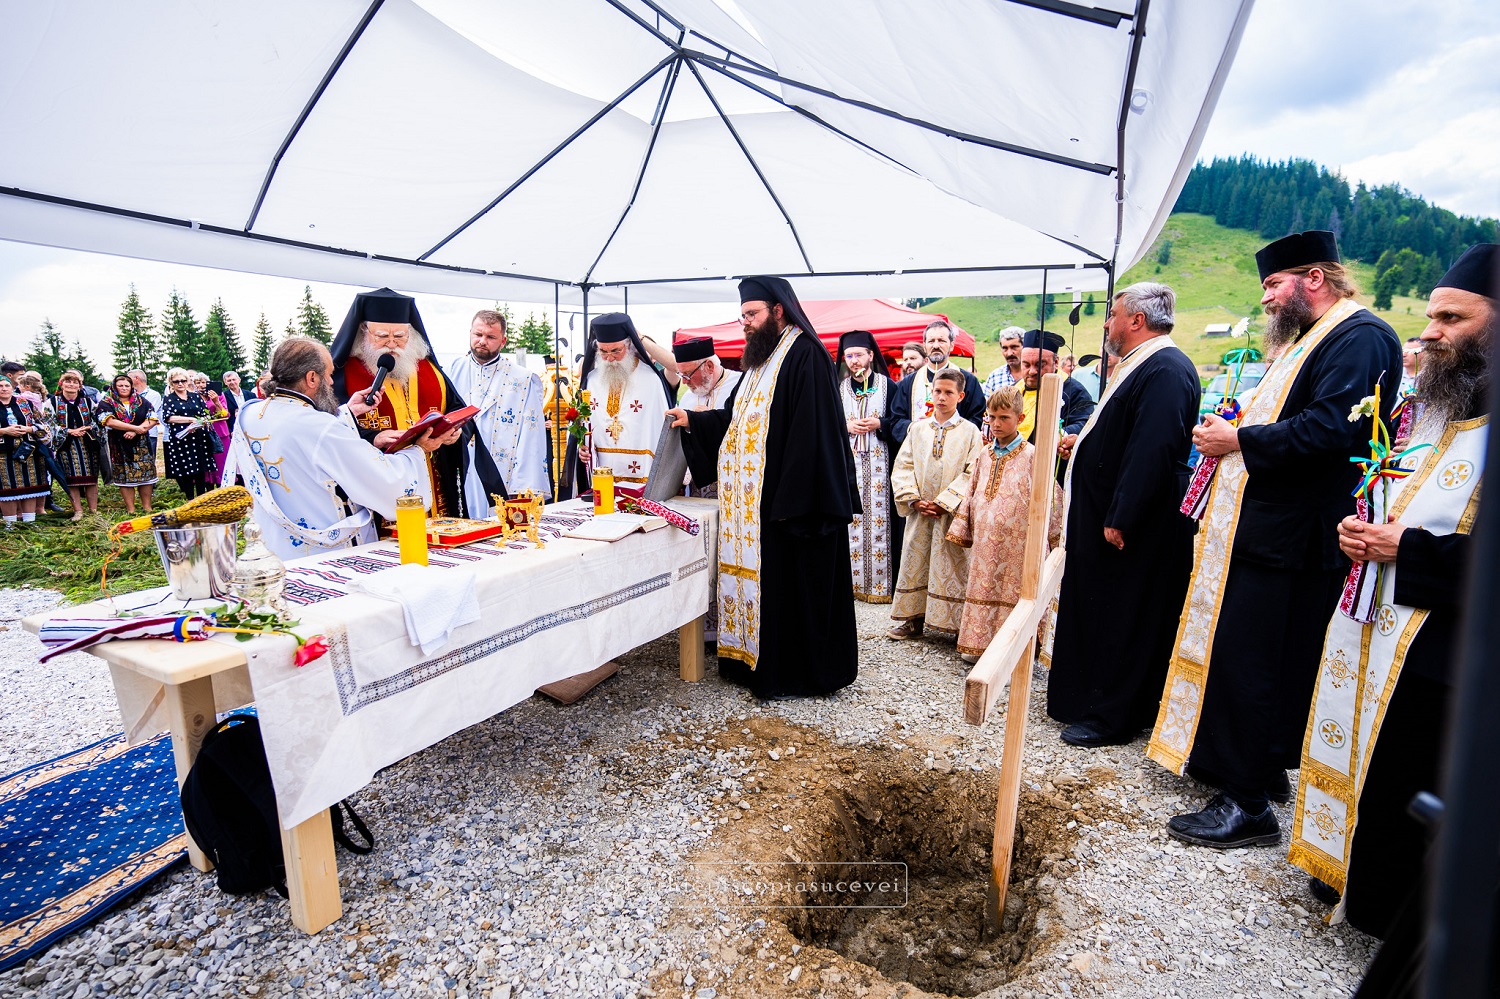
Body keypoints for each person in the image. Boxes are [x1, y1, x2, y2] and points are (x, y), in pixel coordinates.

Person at [1146, 230, 1402, 849]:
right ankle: (1255, 771)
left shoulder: (1360, 338)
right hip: (1272, 531)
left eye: (1273, 284)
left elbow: (1327, 431)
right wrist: (1239, 424)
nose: (1265, 299)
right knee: (1257, 659)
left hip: (1298, 538)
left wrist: (1240, 442)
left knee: (1259, 662)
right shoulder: (1318, 338)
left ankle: (1249, 804)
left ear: (1313, 278)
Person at [1288, 243, 1496, 941]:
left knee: (1407, 769)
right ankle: (1347, 866)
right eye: (1432, 315)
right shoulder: (1443, 407)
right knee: (1374, 760)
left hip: (1452, 651)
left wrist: (1404, 547)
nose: (1430, 329)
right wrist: (1365, 528)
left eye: (1451, 317)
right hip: (1388, 621)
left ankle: (1387, 913)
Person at [668, 276, 859, 699]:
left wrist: (787, 501)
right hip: (751, 509)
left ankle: (795, 674)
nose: (746, 324)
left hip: (788, 505)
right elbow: (737, 420)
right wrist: (695, 421)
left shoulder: (805, 355)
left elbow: (812, 436)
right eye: (741, 317)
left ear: (778, 310)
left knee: (790, 588)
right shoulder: (758, 361)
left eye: (751, 315)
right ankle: (749, 663)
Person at [1046, 283, 1200, 746]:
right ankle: (1089, 698)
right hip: (1111, 513)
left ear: (1137, 320)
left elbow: (1153, 449)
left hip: (1134, 523)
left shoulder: (1167, 369)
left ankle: (1113, 715)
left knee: (1125, 615)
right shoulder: (1144, 364)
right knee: (1103, 607)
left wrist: (1123, 515)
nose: (1107, 323)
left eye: (1113, 315)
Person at [225, 337, 458, 562]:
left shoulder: (251, 414)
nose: (332, 382)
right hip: (326, 555)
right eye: (328, 375)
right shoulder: (319, 427)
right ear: (312, 378)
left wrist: (348, 412)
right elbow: (388, 481)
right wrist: (417, 449)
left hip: (278, 547)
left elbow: (306, 439)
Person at [331, 287, 502, 518]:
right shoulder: (342, 374)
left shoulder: (427, 368)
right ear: (363, 331)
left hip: (432, 480)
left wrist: (455, 432)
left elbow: (457, 411)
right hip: (378, 489)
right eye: (382, 335)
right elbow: (329, 429)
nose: (391, 344)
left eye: (400, 336)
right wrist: (373, 438)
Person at [947, 384, 1060, 663]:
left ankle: (1015, 653)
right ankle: (979, 645)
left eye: (1004, 418)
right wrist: (964, 527)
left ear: (1020, 419)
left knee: (1014, 593)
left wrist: (1055, 538)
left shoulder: (1034, 455)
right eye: (991, 417)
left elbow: (1053, 498)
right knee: (983, 585)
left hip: (1019, 546)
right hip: (986, 542)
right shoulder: (984, 455)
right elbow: (971, 492)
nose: (996, 424)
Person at [887, 368, 984, 641]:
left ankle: (954, 624)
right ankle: (912, 619)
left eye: (948, 392)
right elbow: (903, 466)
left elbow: (972, 472)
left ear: (960, 396)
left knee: (952, 565)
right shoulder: (917, 429)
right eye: (937, 391)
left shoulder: (970, 432)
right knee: (915, 561)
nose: (941, 397)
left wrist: (945, 502)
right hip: (920, 512)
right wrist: (914, 500)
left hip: (951, 515)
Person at [449, 309, 551, 515]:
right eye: (478, 335)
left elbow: (532, 435)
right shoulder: (453, 369)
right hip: (460, 464)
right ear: (470, 333)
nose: (482, 341)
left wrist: (524, 485)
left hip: (502, 471)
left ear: (503, 341)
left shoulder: (523, 379)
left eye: (490, 337)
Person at [565, 313, 676, 498]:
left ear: (629, 345)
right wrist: (582, 448)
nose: (609, 358)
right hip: (602, 478)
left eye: (616, 351)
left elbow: (675, 366)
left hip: (642, 479)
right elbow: (584, 425)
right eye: (603, 351)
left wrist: (641, 337)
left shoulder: (651, 379)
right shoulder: (591, 380)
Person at [837, 330, 898, 603]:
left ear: (871, 355)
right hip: (849, 467)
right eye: (849, 356)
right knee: (851, 523)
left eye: (859, 354)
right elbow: (827, 423)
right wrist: (845, 426)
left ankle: (882, 587)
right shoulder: (838, 389)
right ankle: (851, 585)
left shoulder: (889, 387)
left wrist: (880, 424)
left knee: (881, 522)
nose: (854, 361)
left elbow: (899, 422)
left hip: (881, 468)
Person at [889, 320, 986, 445]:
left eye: (941, 341)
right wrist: (917, 426)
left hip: (954, 450)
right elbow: (896, 421)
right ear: (924, 346)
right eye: (931, 341)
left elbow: (977, 418)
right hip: (919, 451)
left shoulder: (968, 381)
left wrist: (948, 429)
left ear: (951, 345)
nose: (936, 346)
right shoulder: (908, 383)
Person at [1018, 329, 1096, 483]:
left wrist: (1061, 434)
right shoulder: (1015, 390)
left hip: (1053, 474)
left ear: (1055, 362)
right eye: (1026, 364)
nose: (1032, 371)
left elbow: (1083, 423)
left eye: (1040, 364)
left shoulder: (1074, 391)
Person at [674, 336, 742, 499]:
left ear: (709, 366)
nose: (684, 382)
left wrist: (706, 420)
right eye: (680, 374)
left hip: (733, 485)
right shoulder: (687, 398)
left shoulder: (739, 386)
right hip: (697, 491)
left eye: (688, 375)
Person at [97, 373, 157, 514]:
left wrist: (136, 431)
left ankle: (147, 507)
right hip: (119, 443)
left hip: (141, 443)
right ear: (114, 387)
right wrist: (133, 427)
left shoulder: (142, 401)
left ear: (131, 387)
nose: (124, 388)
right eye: (120, 386)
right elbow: (108, 421)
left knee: (146, 475)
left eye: (127, 385)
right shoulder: (107, 402)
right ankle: (131, 509)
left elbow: (152, 418)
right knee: (124, 476)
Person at [52, 369, 104, 520]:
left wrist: (88, 427)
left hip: (87, 442)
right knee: (71, 478)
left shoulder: (88, 402)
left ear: (80, 386)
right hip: (66, 444)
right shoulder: (53, 402)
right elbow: (47, 423)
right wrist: (68, 431)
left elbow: (99, 419)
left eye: (75, 382)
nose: (71, 384)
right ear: (61, 384)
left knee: (91, 477)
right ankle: (78, 511)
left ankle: (93, 510)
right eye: (68, 381)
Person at [0, 373, 50, 526]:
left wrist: (29, 429)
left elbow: (44, 425)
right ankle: (10, 524)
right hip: (3, 455)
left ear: (12, 387)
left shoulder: (25, 403)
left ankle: (29, 522)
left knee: (30, 486)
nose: (4, 389)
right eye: (0, 386)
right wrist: (4, 431)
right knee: (7, 489)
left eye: (7, 385)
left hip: (29, 452)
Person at [196, 371, 232, 487]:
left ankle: (224, 486)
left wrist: (216, 401)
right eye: (198, 383)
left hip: (220, 432)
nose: (201, 385)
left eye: (203, 382)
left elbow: (225, 415)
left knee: (221, 462)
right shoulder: (194, 397)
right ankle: (209, 487)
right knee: (207, 465)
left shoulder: (219, 395)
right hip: (202, 433)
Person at [129, 369, 164, 466]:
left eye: (129, 378)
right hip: (129, 433)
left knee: (148, 463)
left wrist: (134, 430)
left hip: (149, 434)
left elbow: (149, 415)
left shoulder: (153, 395)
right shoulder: (128, 395)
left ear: (136, 378)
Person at [982, 327, 1027, 397]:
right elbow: (987, 406)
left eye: (1014, 347)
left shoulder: (1033, 374)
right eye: (1005, 348)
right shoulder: (994, 377)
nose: (1009, 353)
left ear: (1025, 347)